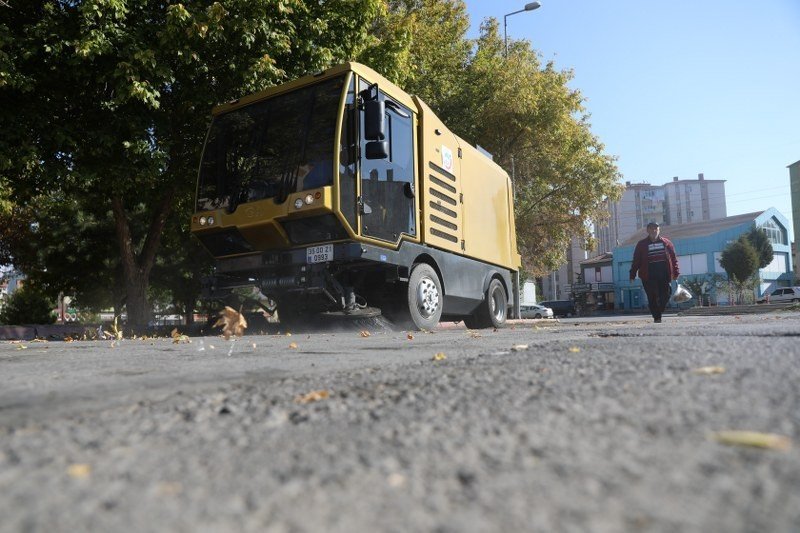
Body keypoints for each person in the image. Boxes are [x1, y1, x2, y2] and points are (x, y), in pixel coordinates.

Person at [629, 222, 679, 323]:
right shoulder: (641, 244)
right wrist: (632, 274)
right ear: (647, 231)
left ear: (659, 230)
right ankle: (657, 317)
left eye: (656, 228)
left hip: (664, 273)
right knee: (652, 296)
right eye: (651, 229)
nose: (654, 230)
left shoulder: (667, 243)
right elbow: (636, 261)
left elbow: (673, 259)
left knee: (666, 294)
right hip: (648, 274)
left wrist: (676, 272)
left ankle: (659, 311)